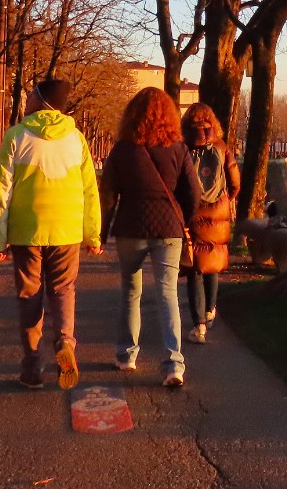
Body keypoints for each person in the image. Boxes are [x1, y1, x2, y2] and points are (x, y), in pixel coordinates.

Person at [0, 78, 102, 391]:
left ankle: (32, 366)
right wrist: (93, 234)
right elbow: (90, 190)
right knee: (63, 288)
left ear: (41, 102)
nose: (25, 103)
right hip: (67, 229)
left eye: (29, 98)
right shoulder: (77, 139)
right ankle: (65, 342)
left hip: (27, 231)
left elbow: (1, 191)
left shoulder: (16, 136)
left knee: (30, 295)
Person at [100, 87, 201, 388]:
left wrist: (102, 233)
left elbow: (108, 196)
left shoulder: (121, 149)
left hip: (131, 227)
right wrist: (183, 218)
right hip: (169, 229)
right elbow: (193, 193)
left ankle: (126, 355)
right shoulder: (179, 149)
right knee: (167, 294)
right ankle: (173, 365)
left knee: (131, 291)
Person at [181, 103, 240, 345]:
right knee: (212, 262)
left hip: (193, 211)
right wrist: (225, 200)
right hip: (217, 209)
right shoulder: (221, 147)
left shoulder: (183, 147)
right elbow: (235, 181)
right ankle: (211, 310)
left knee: (195, 266)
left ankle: (199, 326)